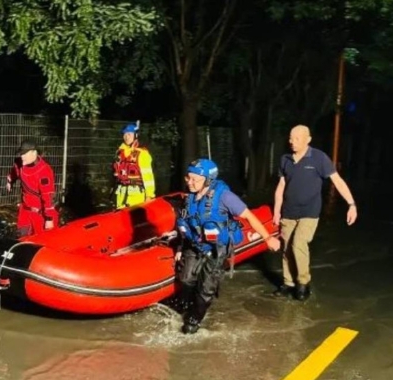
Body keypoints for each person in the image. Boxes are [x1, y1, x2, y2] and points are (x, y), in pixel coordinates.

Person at [173, 159, 281, 334]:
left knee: (206, 288)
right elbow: (186, 223)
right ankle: (186, 303)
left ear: (208, 180)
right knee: (186, 279)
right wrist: (179, 248)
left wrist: (267, 237)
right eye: (188, 178)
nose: (189, 182)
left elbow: (249, 216)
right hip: (195, 244)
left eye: (195, 179)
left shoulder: (225, 197)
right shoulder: (190, 196)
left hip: (217, 247)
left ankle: (194, 319)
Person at [272, 124, 357, 301]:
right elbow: (281, 187)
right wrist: (276, 211)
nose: (292, 142)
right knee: (286, 248)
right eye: (290, 138)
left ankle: (303, 284)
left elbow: (338, 181)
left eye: (296, 138)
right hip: (289, 211)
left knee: (299, 243)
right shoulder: (285, 159)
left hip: (310, 212)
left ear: (307, 140)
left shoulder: (319, 158)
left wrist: (351, 204)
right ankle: (288, 283)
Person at [6, 140, 59, 237]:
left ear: (34, 152)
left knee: (42, 241)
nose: (22, 156)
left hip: (40, 215)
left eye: (25, 154)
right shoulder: (21, 164)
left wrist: (49, 219)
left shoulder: (44, 171)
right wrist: (10, 181)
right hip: (25, 212)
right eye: (21, 154)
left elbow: (48, 197)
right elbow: (15, 171)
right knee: (22, 239)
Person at [113, 123, 155, 209]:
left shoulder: (142, 154)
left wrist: (149, 195)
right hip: (121, 194)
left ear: (135, 135)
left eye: (129, 134)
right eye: (124, 134)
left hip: (136, 195)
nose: (126, 137)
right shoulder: (119, 152)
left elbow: (148, 177)